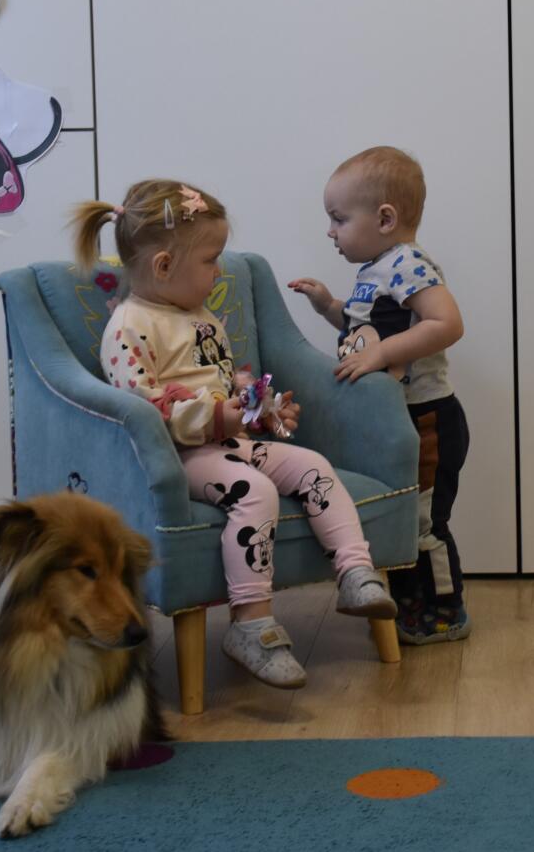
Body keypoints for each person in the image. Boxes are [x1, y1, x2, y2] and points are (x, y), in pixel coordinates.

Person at [70, 177, 395, 689]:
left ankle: (355, 572)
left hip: (230, 443)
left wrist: (264, 410)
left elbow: (226, 382)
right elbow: (143, 408)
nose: (218, 271)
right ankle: (251, 624)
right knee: (255, 492)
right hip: (183, 456)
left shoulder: (200, 315)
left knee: (312, 465)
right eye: (210, 260)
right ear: (164, 266)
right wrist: (220, 416)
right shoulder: (130, 326)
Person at [289, 147, 471, 644]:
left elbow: (447, 323)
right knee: (397, 517)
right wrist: (329, 306)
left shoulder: (407, 263)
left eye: (339, 218)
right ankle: (411, 604)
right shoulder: (375, 270)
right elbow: (363, 331)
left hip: (425, 419)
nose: (331, 231)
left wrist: (381, 354)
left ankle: (446, 609)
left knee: (423, 522)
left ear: (385, 219)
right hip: (391, 418)